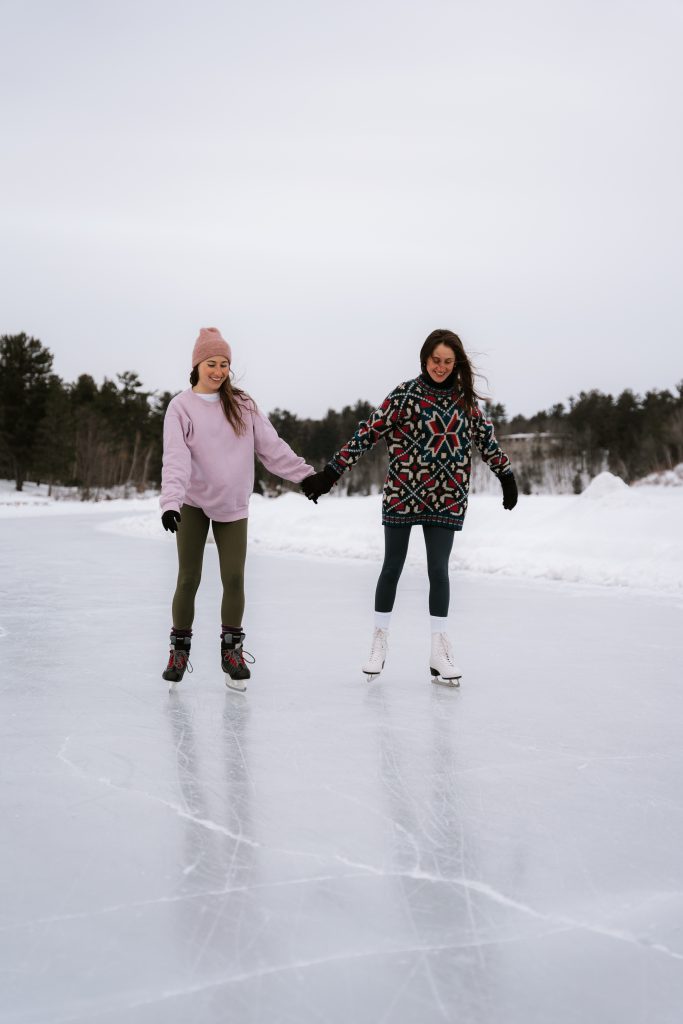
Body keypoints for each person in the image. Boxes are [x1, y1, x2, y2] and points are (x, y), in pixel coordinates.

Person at [301, 328, 517, 686]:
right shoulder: (404, 395)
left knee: (439, 570)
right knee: (392, 568)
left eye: (448, 362)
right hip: (403, 491)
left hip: (447, 495)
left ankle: (439, 649)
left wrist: (505, 475)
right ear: (425, 358)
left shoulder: (465, 401)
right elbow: (367, 433)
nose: (441, 367)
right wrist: (331, 473)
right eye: (436, 360)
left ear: (456, 363)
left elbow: (486, 440)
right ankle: (379, 641)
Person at [159, 327, 314, 691]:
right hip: (192, 503)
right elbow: (176, 459)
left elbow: (271, 448)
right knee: (188, 578)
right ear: (197, 364)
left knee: (234, 578)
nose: (218, 371)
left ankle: (232, 652)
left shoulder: (243, 404)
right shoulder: (180, 407)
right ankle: (179, 651)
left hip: (232, 503)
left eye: (225, 364)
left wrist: (306, 476)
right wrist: (171, 502)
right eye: (211, 363)